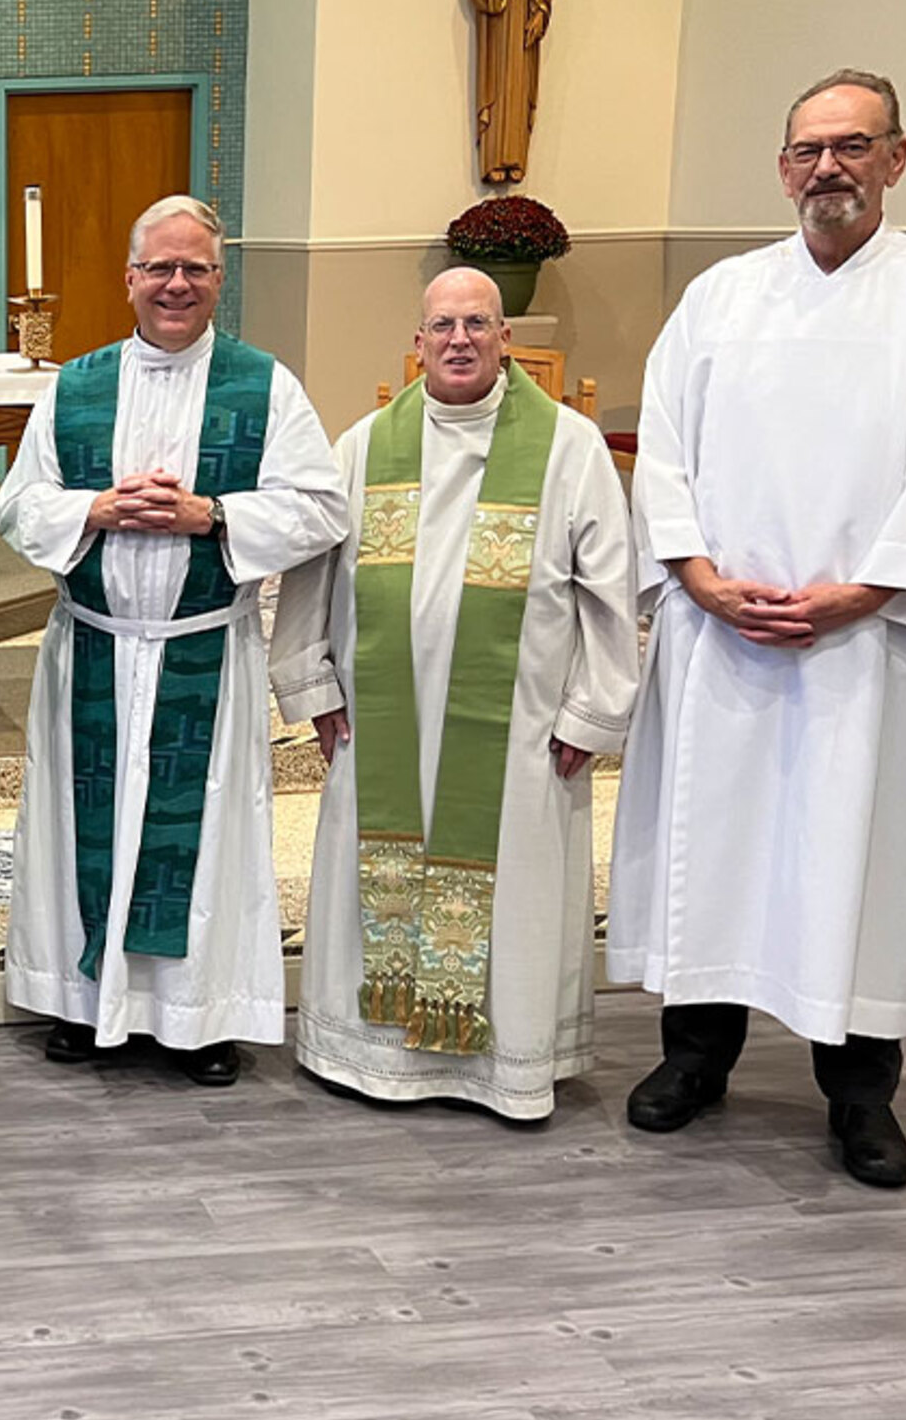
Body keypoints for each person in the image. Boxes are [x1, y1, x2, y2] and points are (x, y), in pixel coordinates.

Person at [608, 69, 906, 1186]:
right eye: (807, 149)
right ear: (783, 167)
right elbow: (664, 445)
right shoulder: (722, 296)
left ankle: (860, 1093)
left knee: (856, 852)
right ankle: (695, 1059)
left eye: (851, 145)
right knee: (714, 839)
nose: (827, 167)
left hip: (864, 642)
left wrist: (870, 588)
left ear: (896, 158)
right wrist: (696, 574)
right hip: (724, 632)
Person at [271, 268, 638, 1121]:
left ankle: (506, 1063)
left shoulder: (569, 448)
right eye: (443, 325)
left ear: (505, 339)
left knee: (513, 883)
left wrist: (593, 708)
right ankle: (370, 1053)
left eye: (478, 324)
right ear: (418, 341)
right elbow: (309, 574)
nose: (460, 340)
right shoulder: (365, 447)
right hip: (381, 724)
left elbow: (609, 590)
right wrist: (312, 682)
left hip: (520, 729)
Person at [0, 195, 347, 1086]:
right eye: (160, 267)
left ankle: (201, 1017)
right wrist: (97, 508)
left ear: (220, 280)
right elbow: (19, 505)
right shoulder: (74, 386)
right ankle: (84, 1006)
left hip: (205, 655)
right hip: (94, 649)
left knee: (208, 837)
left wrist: (211, 515)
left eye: (195, 268)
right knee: (84, 830)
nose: (176, 284)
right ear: (130, 279)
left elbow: (322, 507)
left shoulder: (265, 386)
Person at [468, 0, 551, 186]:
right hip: (498, 24)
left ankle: (516, 158)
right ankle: (493, 159)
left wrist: (540, 13)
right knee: (499, 88)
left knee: (520, 88)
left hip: (524, 25)